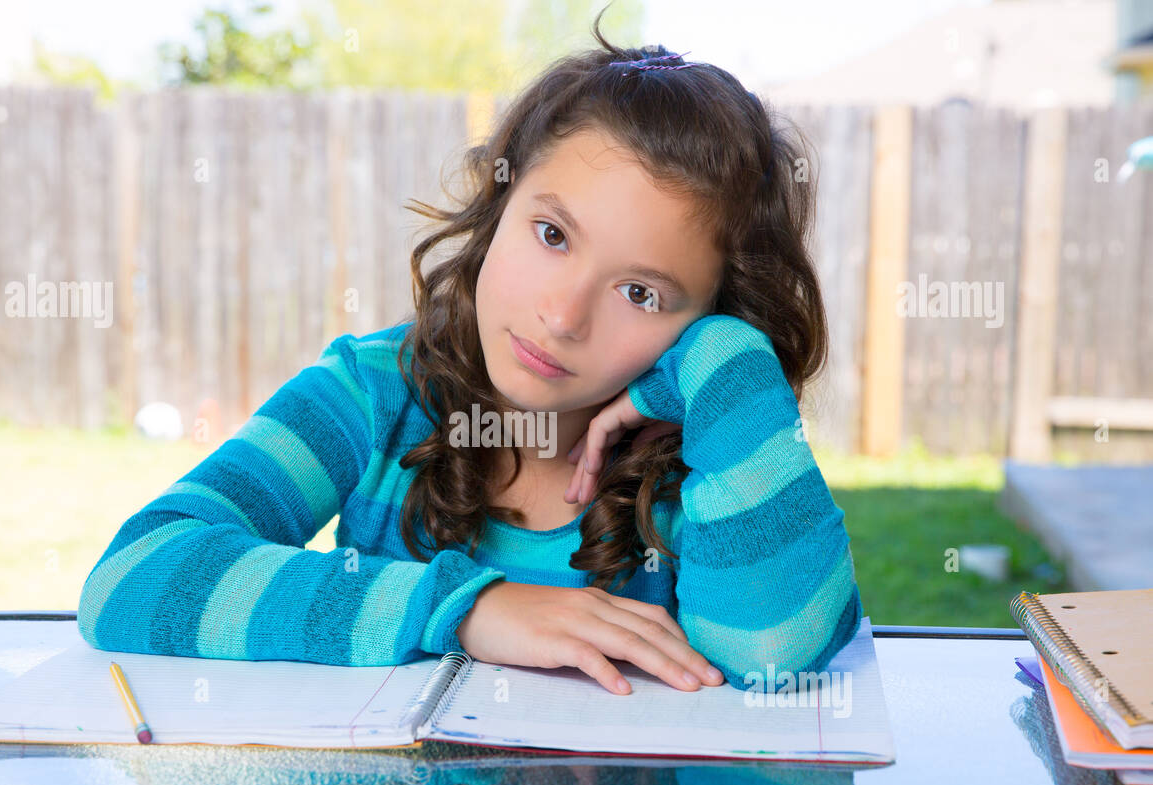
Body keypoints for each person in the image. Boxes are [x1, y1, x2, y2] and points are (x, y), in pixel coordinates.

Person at [77, 14, 863, 697]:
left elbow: (775, 659)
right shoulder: (373, 393)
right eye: (552, 235)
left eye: (642, 294)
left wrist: (725, 357)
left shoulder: (718, 456)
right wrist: (466, 608)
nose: (561, 317)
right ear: (497, 207)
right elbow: (136, 574)